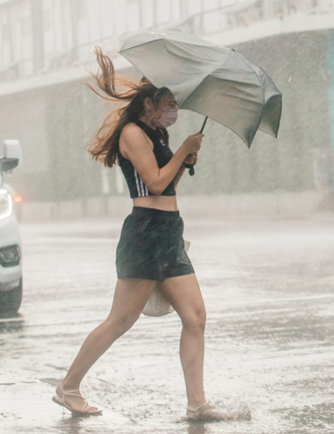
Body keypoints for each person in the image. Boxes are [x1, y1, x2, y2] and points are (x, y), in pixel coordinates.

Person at [52, 47, 229, 421]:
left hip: (169, 232)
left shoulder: (156, 132)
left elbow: (169, 184)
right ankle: (68, 387)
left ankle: (197, 404)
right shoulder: (133, 133)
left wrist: (184, 159)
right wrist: (184, 150)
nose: (173, 110)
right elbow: (153, 182)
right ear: (149, 102)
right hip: (145, 233)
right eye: (168, 103)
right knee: (120, 321)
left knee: (195, 317)